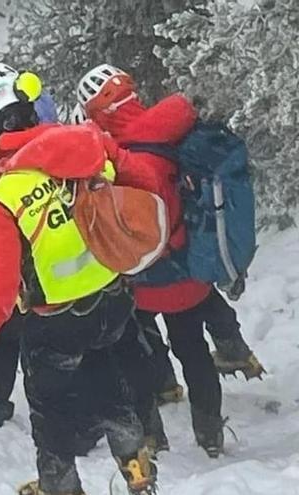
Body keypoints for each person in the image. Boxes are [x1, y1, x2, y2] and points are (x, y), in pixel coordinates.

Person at [0, 64, 157, 495]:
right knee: (105, 374)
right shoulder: (88, 145)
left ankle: (60, 485)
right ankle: (136, 465)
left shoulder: (2, 202)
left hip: (55, 322)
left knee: (50, 415)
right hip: (112, 300)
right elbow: (143, 182)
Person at [76, 63, 265, 457]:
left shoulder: (110, 155)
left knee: (139, 357)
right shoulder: (173, 132)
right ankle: (210, 432)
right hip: (186, 273)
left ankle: (152, 435)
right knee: (193, 351)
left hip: (140, 282)